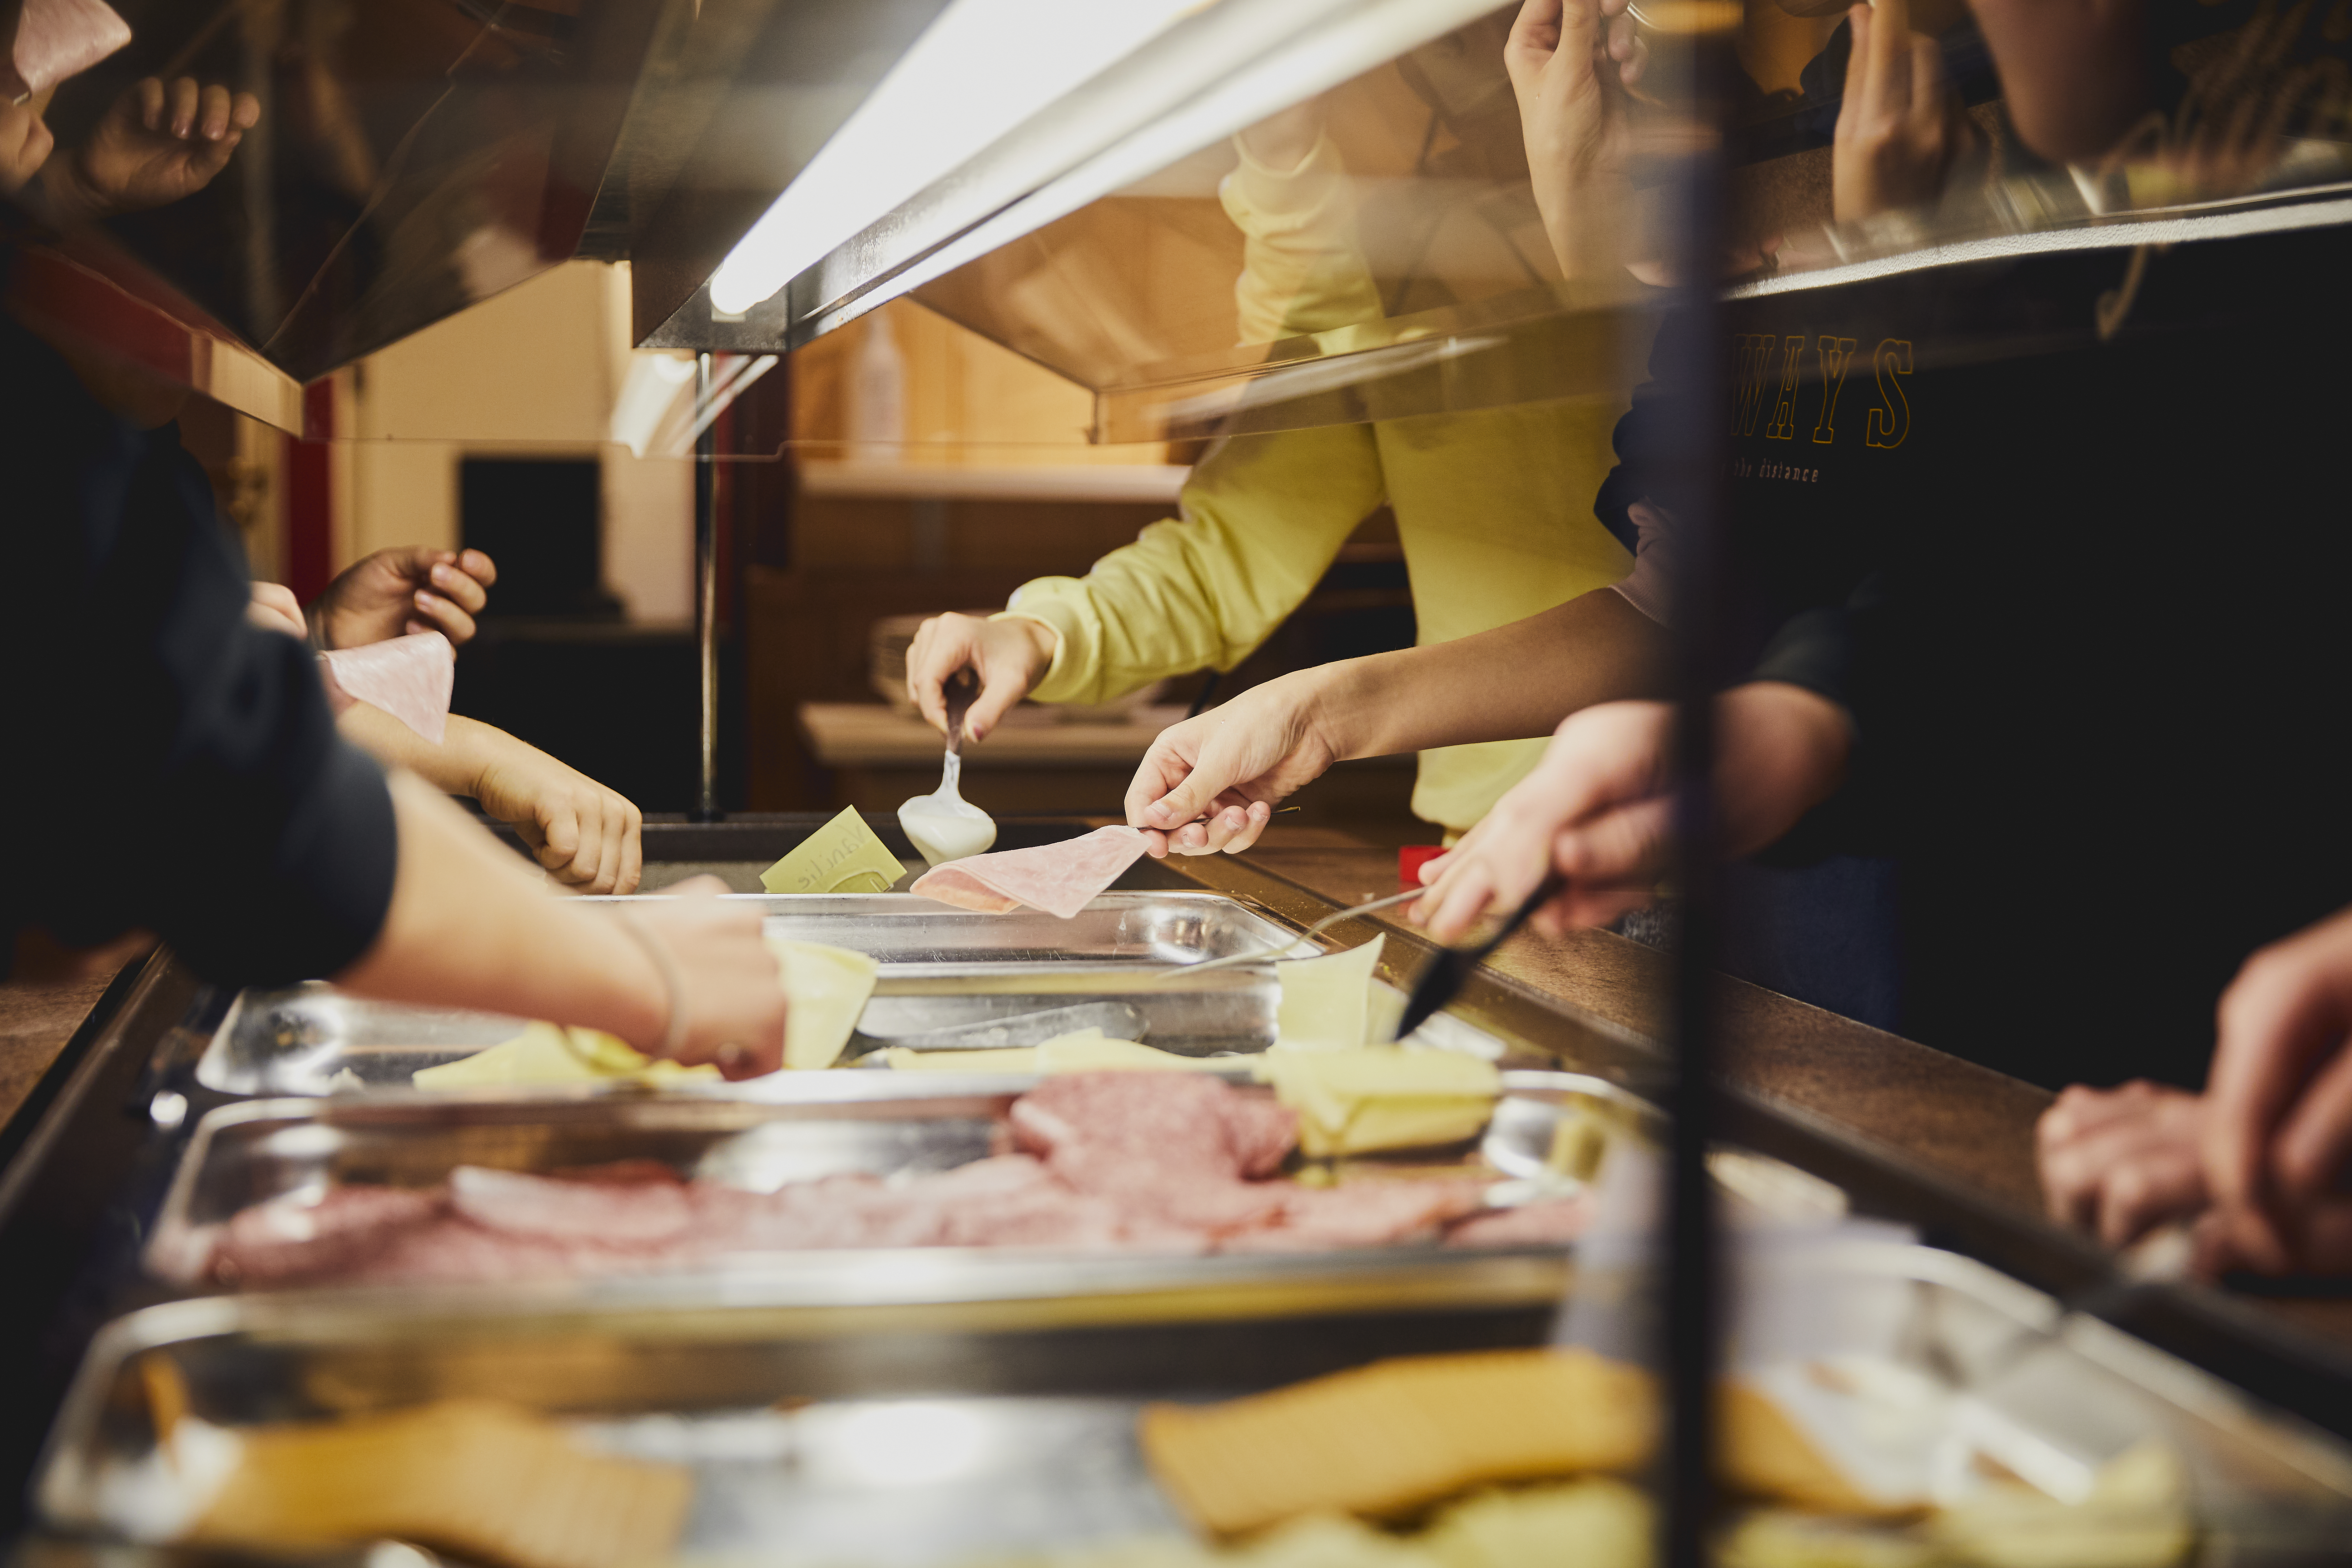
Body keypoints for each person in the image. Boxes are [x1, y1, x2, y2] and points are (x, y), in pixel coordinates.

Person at [3, 61, 781, 1073]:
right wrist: (641, 974)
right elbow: (208, 763)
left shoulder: (122, 443)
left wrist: (322, 645)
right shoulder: (38, 425)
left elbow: (161, 687)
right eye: (16, 83)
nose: (35, 103)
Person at [905, 40, 1645, 853]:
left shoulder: (1697, 232)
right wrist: (1040, 633)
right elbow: (1227, 555)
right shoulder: (1386, 276)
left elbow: (1674, 607)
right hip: (1488, 840)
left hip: (1714, 838)